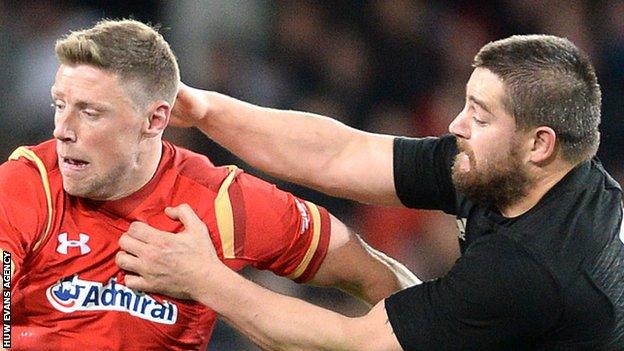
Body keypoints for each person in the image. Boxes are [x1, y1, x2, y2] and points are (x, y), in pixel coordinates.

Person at [117, 34, 624, 350]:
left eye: (480, 115)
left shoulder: (533, 268)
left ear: (540, 144)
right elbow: (341, 154)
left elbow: (354, 346)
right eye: (466, 104)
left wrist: (205, 279)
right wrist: (206, 110)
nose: (456, 124)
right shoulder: (516, 168)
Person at [0, 19, 419, 350]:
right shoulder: (27, 183)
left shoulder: (220, 203)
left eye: (89, 112)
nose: (62, 130)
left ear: (155, 120)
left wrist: (450, 334)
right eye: (60, 105)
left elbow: (370, 274)